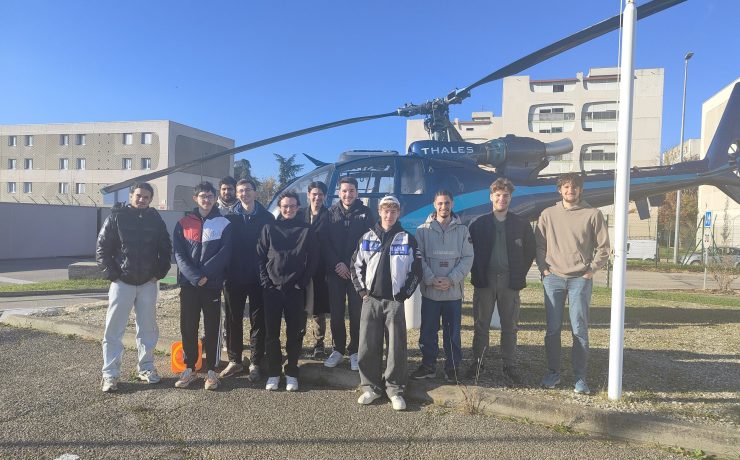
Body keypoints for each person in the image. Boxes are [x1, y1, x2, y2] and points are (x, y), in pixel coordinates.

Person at [535, 172, 610, 395]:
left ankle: (580, 378)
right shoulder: (548, 214)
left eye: (574, 187)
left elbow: (604, 248)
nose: (570, 190)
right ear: (560, 190)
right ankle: (553, 373)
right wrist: (544, 269)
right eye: (566, 187)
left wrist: (590, 271)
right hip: (553, 278)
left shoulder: (593, 214)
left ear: (581, 190)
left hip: (580, 279)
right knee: (552, 329)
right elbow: (539, 245)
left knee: (579, 329)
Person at [96, 182, 172, 392]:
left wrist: (158, 274)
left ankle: (146, 368)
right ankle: (110, 374)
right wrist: (113, 275)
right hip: (122, 283)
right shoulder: (116, 217)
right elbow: (102, 248)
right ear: (131, 196)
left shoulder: (155, 219)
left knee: (148, 329)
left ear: (150, 199)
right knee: (113, 330)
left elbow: (165, 248)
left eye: (146, 197)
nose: (142, 200)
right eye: (138, 195)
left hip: (148, 283)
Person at [351, 195, 422, 411]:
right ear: (379, 212)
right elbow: (355, 265)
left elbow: (416, 271)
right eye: (385, 211)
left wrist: (403, 295)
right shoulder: (367, 237)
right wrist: (362, 292)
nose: (389, 215)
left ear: (398, 213)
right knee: (367, 346)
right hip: (371, 300)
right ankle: (370, 387)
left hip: (394, 302)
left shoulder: (407, 239)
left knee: (396, 347)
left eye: (393, 211)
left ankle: (395, 389)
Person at [465, 178, 536, 384]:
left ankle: (509, 365)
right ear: (491, 197)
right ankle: (478, 363)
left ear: (510, 198)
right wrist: (477, 272)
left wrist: (518, 273)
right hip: (485, 281)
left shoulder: (521, 224)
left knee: (510, 326)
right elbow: (469, 251)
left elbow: (529, 251)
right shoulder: (478, 223)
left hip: (509, 281)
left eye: (506, 196)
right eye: (498, 195)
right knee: (481, 325)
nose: (501, 199)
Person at [173, 182, 232, 390]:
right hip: (189, 284)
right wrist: (195, 276)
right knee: (188, 326)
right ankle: (189, 368)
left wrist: (205, 275)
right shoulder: (183, 223)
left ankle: (212, 371)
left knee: (212, 327)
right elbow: (179, 254)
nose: (206, 199)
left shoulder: (224, 223)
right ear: (195, 198)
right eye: (202, 196)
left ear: (215, 198)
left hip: (212, 284)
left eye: (209, 196)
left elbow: (225, 252)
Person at [257, 191, 319, 391]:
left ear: (298, 207)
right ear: (280, 207)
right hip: (272, 290)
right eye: (285, 206)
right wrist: (266, 282)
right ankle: (274, 373)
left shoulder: (306, 230)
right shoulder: (269, 227)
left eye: (292, 206)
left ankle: (292, 372)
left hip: (295, 289)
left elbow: (314, 259)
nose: (289, 209)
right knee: (271, 334)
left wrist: (302, 283)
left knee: (295, 333)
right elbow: (260, 257)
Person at [411, 190, 473, 383]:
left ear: (452, 204)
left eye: (447, 203)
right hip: (431, 292)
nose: (443, 206)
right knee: (428, 332)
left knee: (452, 334)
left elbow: (468, 258)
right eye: (440, 203)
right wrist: (431, 279)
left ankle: (452, 368)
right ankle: (428, 365)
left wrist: (451, 279)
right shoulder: (422, 231)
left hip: (452, 293)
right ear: (434, 205)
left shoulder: (462, 231)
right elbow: (418, 258)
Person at [220, 179, 274, 381]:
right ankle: (234, 360)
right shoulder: (229, 219)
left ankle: (255, 362)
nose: (244, 194)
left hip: (259, 277)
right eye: (240, 191)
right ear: (237, 194)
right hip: (233, 277)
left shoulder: (267, 217)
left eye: (248, 190)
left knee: (258, 321)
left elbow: (271, 247)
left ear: (255, 192)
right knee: (233, 319)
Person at [322, 177, 373, 371]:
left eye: (351, 190)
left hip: (357, 272)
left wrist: (350, 265)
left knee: (356, 312)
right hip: (335, 271)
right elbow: (325, 242)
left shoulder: (366, 213)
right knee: (336, 313)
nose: (348, 194)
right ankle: (338, 349)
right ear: (339, 192)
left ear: (357, 192)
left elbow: (368, 243)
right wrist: (337, 264)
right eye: (344, 191)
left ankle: (355, 351)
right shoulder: (330, 213)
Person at [299, 181, 330, 358]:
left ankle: (319, 343)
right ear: (308, 195)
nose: (317, 197)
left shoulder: (329, 216)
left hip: (320, 268)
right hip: (300, 268)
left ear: (324, 196)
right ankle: (298, 340)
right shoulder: (299, 213)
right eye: (314, 194)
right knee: (300, 306)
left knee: (318, 308)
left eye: (320, 194)